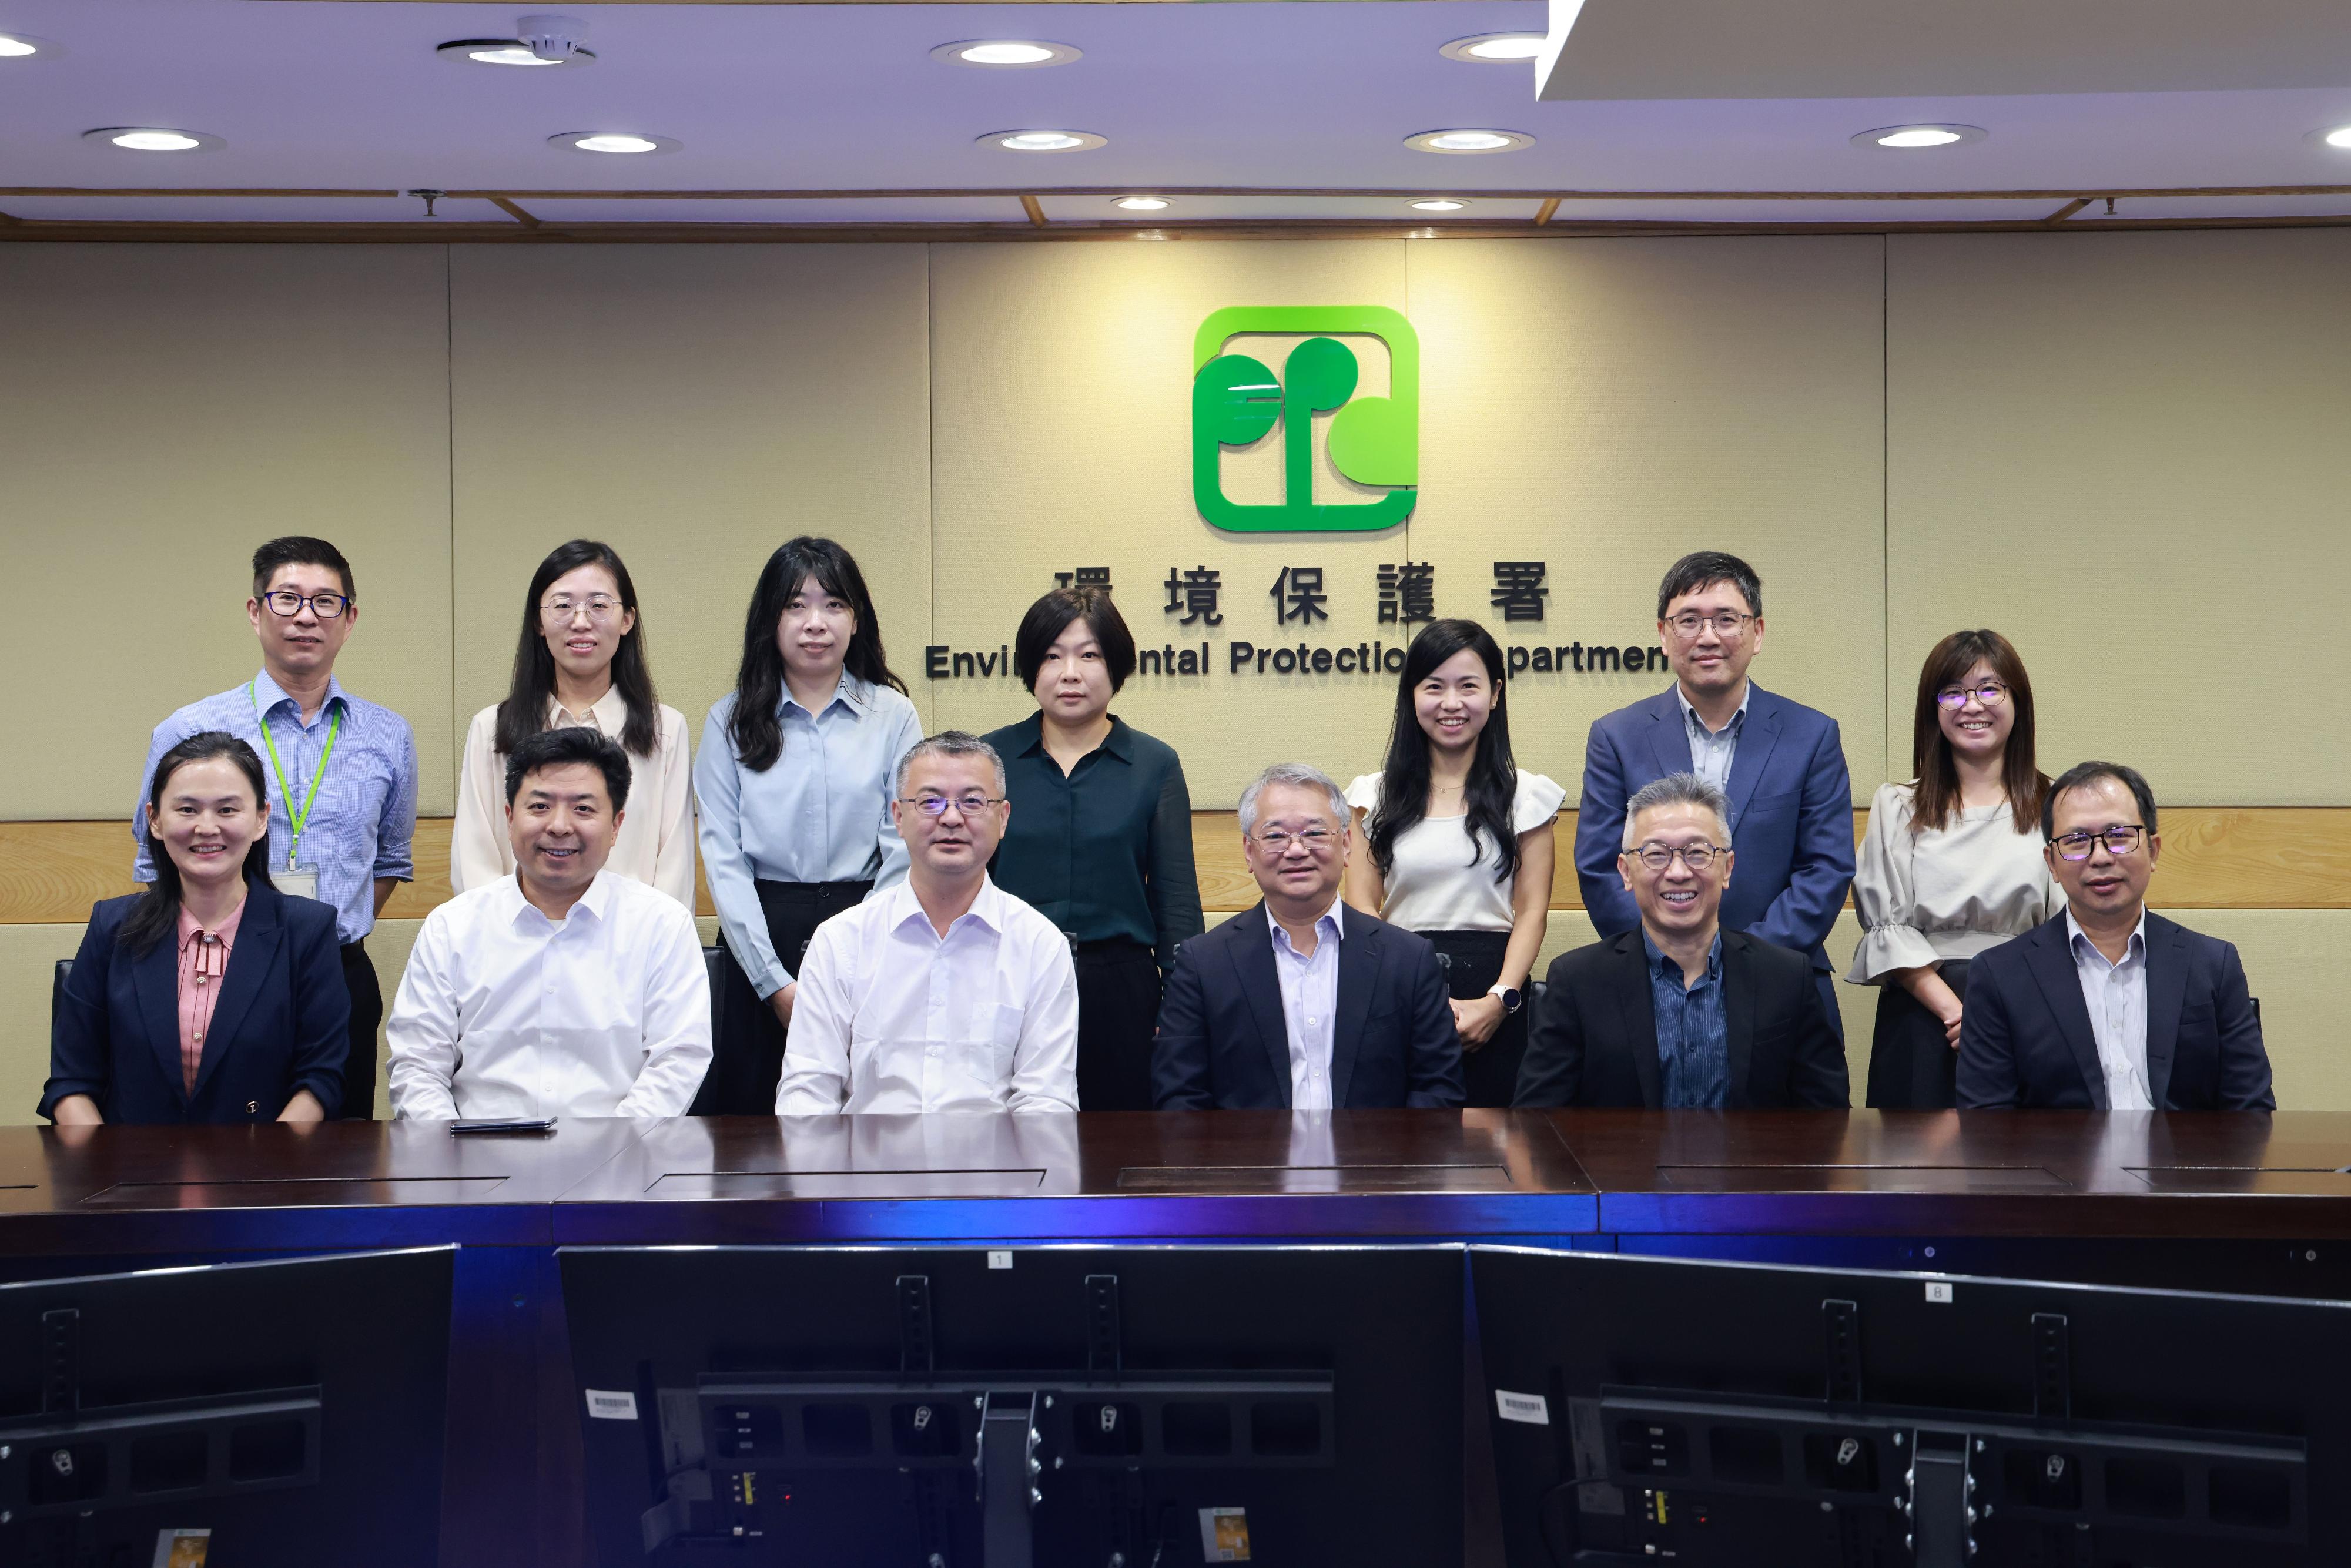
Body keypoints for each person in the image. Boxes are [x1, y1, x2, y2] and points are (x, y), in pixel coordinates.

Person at [135, 537, 419, 1121]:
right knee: (216, 1148)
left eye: (325, 602)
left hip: (339, 975)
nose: (306, 616)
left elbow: (390, 862)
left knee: (338, 1160)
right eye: (287, 599)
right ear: (255, 611)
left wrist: (315, 933)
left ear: (350, 618)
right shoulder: (191, 727)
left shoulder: (389, 736)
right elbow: (153, 864)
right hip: (214, 971)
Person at [1575, 551, 1854, 1034]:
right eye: (1689, 621)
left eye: (1727, 619)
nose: (1708, 636)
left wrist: (1747, 963)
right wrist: (1672, 959)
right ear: (1663, 634)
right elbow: (1602, 866)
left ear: (1757, 632)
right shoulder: (1617, 736)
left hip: (1782, 988)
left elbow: (1826, 868)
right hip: (1651, 987)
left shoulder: (1811, 734)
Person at [695, 538, 923, 1114]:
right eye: (795, 605)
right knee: (751, 1132)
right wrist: (775, 983)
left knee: (867, 1119)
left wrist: (863, 958)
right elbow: (723, 857)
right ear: (768, 619)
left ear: (856, 619)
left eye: (834, 605)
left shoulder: (893, 715)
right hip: (760, 937)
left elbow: (902, 847)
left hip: (866, 930)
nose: (814, 623)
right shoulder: (729, 719)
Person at [386, 728, 711, 1121]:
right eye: (540, 807)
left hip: (621, 1165)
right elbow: (416, 1066)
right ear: (509, 818)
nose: (559, 826)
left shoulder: (662, 925)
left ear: (616, 826)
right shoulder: (452, 928)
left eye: (584, 809)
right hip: (479, 1161)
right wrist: (458, 1158)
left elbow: (677, 1061)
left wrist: (610, 1152)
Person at [47, 733, 348, 1125]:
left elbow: (321, 1080)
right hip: (129, 1176)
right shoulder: (112, 927)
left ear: (261, 819)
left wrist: (267, 1171)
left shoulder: (308, 931)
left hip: (263, 1172)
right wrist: (107, 1172)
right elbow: (71, 1083)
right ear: (155, 819)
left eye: (227, 810)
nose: (207, 827)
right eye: (187, 810)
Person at [982, 586, 1203, 1111]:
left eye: (1089, 655)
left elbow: (1175, 899)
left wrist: (1181, 1005)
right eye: (1052, 656)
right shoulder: (989, 760)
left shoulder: (1154, 764)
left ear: (1117, 665)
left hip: (1120, 988)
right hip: (1005, 979)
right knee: (1009, 1145)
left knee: (1119, 1149)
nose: (1070, 673)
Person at [777, 733, 1079, 1115]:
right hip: (868, 1170)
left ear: (1002, 819)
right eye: (930, 801)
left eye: (972, 801)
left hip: (994, 1171)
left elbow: (1046, 1101)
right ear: (899, 818)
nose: (951, 818)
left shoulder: (1039, 945)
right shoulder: (841, 941)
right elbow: (807, 1093)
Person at [1516, 773, 1848, 1109]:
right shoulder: (1578, 981)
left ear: (1728, 868)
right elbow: (1537, 1125)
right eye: (1656, 854)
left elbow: (1828, 1121)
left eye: (1698, 853)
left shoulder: (1788, 977)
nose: (1678, 872)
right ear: (1626, 872)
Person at [1957, 762, 2273, 1111]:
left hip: (2183, 1164)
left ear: (2153, 850)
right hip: (2058, 1165)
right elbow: (1987, 1123)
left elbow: (2251, 1111)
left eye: (2119, 836)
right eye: (2077, 842)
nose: (2101, 857)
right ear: (2051, 863)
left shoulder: (2214, 964)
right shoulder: (2000, 974)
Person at [1154, 762, 1464, 1111]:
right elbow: (1180, 1097)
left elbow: (1438, 1091)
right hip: (1249, 1164)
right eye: (1274, 836)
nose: (1297, 850)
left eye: (1315, 833)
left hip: (1375, 1163)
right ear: (1248, 852)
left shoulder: (1408, 959)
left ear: (1346, 845)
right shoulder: (1202, 964)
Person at [1344, 620, 1560, 1108]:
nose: (1451, 703)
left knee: (1495, 1156)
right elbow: (1359, 904)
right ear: (1411, 695)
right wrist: (1410, 995)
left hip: (1496, 991)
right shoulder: (1371, 796)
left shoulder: (1528, 797)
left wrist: (1499, 1001)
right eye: (1433, 687)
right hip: (1396, 984)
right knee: (1398, 1150)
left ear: (1496, 693)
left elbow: (1531, 912)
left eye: (1469, 686)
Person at [1847, 631, 2061, 1108]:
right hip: (1923, 1017)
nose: (1972, 705)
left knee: (2027, 1169)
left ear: (2017, 701)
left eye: (1990, 688)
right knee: (1915, 1172)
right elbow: (1889, 928)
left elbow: (2070, 930)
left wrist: (2000, 1018)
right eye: (1953, 692)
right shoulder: (1897, 804)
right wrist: (1961, 1014)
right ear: (1933, 708)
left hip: (2026, 1014)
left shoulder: (2057, 802)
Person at [452, 540, 693, 907]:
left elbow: (674, 870)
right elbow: (475, 865)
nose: (580, 622)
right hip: (515, 948)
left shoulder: (667, 730)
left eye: (599, 605)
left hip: (630, 951)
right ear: (539, 621)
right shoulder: (493, 728)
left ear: (627, 619)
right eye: (563, 606)